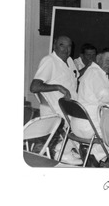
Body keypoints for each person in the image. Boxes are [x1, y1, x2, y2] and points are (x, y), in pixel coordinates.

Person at [30, 35, 82, 165]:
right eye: (61, 45)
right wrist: (58, 87)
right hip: (56, 111)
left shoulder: (69, 61)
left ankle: (67, 150)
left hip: (71, 109)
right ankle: (61, 152)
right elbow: (34, 86)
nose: (66, 49)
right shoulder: (49, 61)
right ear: (54, 46)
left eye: (69, 46)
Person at [71, 48, 109, 166]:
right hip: (90, 127)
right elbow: (107, 98)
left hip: (77, 125)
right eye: (108, 60)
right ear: (98, 59)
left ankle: (88, 153)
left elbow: (106, 92)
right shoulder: (96, 74)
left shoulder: (93, 71)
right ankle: (94, 155)